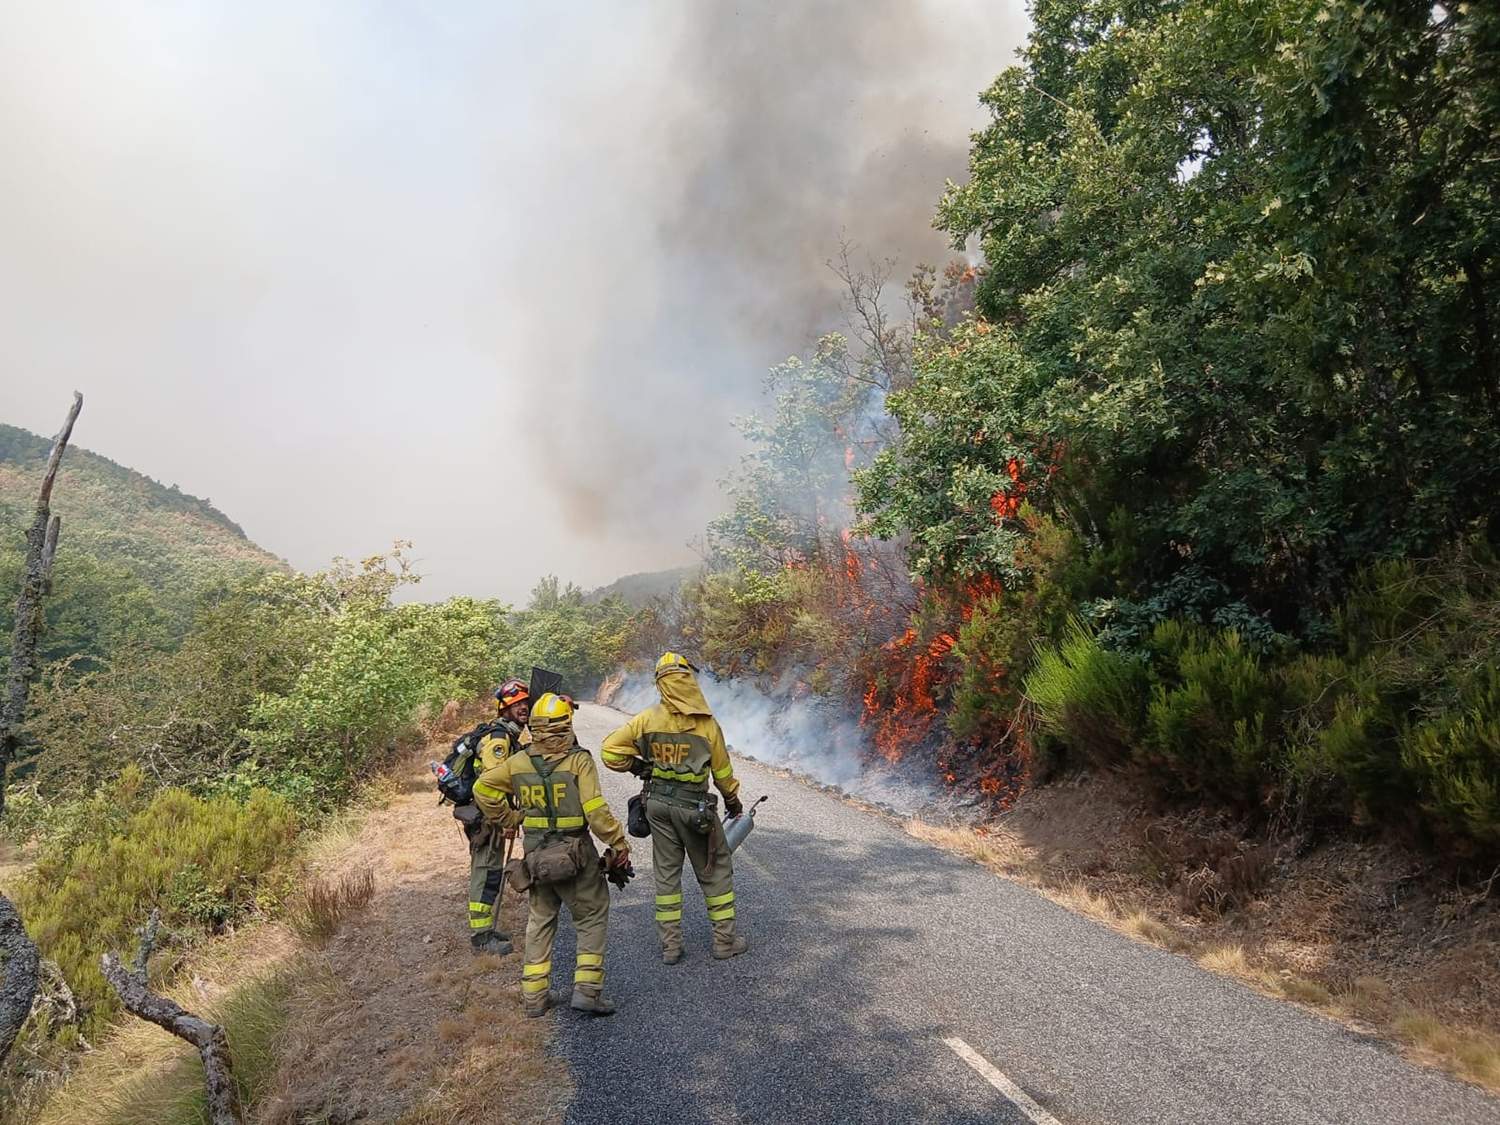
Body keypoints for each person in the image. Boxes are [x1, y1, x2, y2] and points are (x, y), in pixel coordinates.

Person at [472, 692, 631, 1016]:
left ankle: (534, 997)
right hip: (577, 855)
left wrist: (509, 818)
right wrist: (618, 843)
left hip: (536, 857)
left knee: (540, 922)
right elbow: (596, 812)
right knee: (590, 916)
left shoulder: (518, 762)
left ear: (534, 727)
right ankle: (587, 992)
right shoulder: (579, 761)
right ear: (566, 725)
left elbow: (482, 789)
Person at [601, 652, 747, 964]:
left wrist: (640, 768)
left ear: (661, 684)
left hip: (657, 807)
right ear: (688, 682)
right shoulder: (707, 725)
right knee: (715, 870)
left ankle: (671, 947)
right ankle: (725, 942)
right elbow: (722, 775)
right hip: (694, 810)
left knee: (666, 875)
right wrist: (733, 803)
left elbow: (610, 752)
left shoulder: (647, 719)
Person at [462, 678, 531, 955]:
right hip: (488, 819)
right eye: (516, 704)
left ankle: (487, 930)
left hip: (492, 817)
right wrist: (507, 819)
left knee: (491, 872)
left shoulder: (509, 737)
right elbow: (489, 785)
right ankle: (481, 937)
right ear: (504, 709)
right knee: (485, 873)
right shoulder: (499, 740)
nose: (523, 707)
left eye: (526, 703)